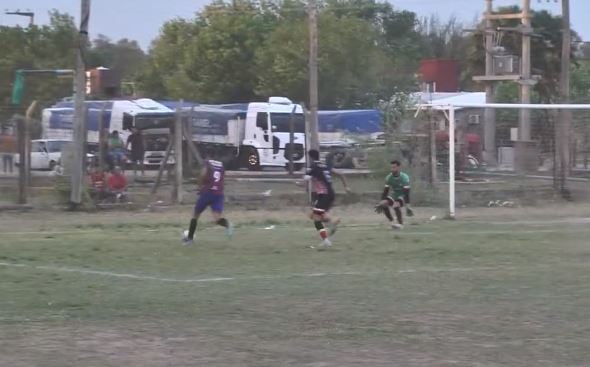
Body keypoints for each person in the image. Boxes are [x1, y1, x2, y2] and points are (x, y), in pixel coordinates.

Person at [182, 151, 233, 246]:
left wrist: (199, 185)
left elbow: (203, 174)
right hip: (218, 194)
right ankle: (227, 224)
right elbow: (221, 179)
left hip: (207, 192)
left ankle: (190, 239)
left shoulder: (208, 163)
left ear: (209, 156)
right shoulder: (221, 166)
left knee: (195, 215)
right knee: (217, 219)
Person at [302, 149, 347, 249]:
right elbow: (340, 174)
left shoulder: (312, 167)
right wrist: (346, 187)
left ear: (310, 157)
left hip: (324, 195)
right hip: (330, 194)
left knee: (315, 217)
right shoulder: (325, 166)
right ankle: (327, 236)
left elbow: (304, 183)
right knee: (316, 216)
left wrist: (297, 183)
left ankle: (331, 225)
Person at [375, 160, 414, 229]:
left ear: (399, 167)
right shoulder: (389, 178)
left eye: (394, 167)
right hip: (394, 195)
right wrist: (380, 203)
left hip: (402, 195)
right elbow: (385, 192)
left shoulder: (404, 178)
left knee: (395, 205)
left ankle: (400, 224)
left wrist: (408, 206)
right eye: (391, 168)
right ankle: (392, 222)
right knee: (383, 204)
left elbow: (406, 193)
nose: (392, 169)